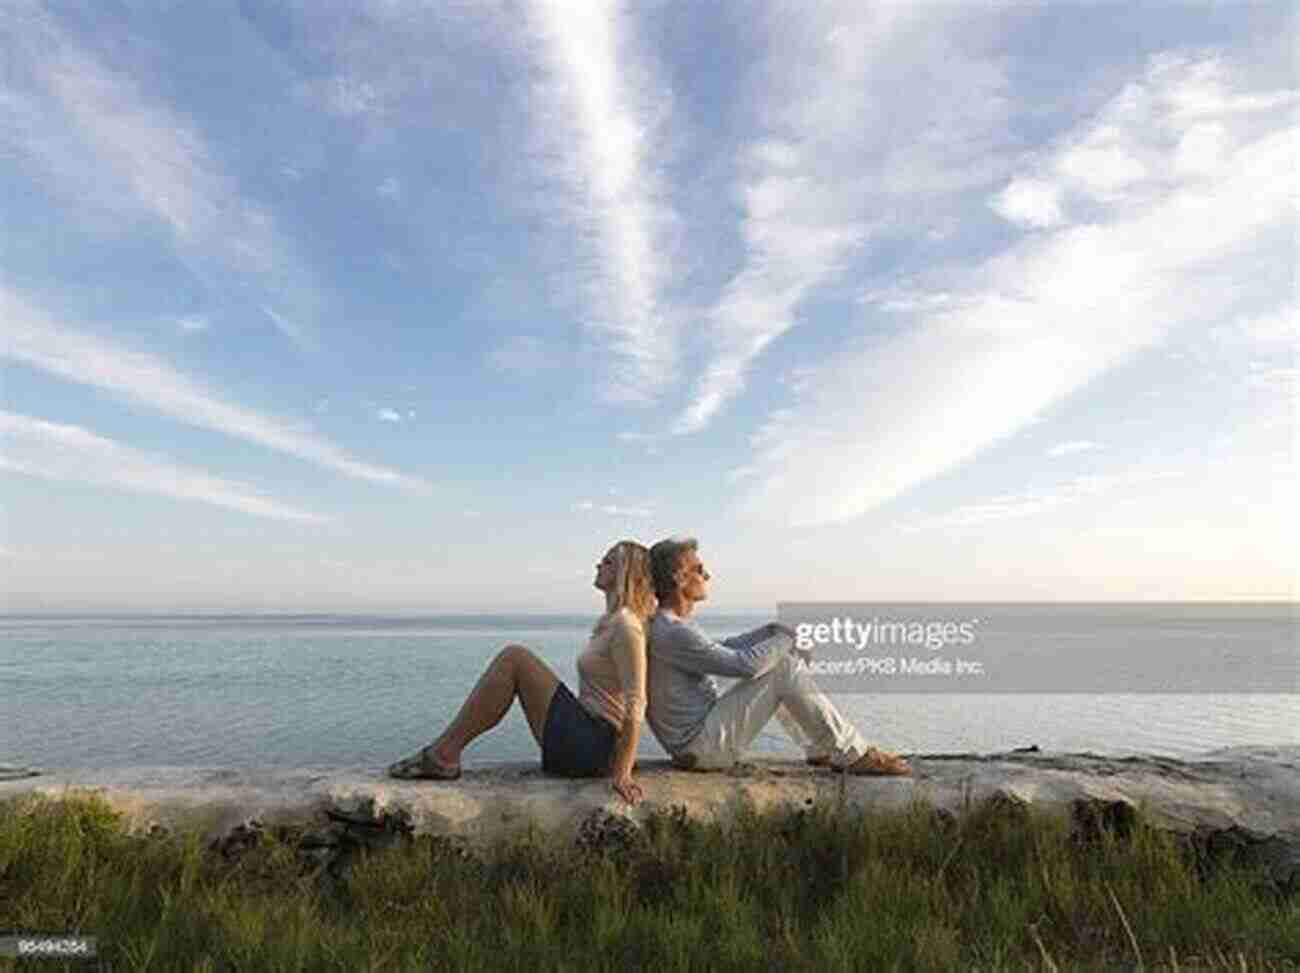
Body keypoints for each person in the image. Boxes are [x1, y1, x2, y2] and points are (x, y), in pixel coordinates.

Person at [387, 540, 655, 805]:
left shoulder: (626, 626)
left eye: (608, 561)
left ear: (625, 573)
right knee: (514, 659)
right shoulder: (611, 623)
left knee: (514, 659)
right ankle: (444, 753)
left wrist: (623, 773)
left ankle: (443, 755)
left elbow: (636, 703)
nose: (598, 564)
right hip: (589, 740)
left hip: (597, 748)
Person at [644, 536, 911, 776]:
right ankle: (853, 754)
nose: (708, 576)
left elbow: (722, 648)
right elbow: (746, 665)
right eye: (699, 570)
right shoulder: (672, 630)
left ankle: (821, 747)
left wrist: (773, 630)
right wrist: (787, 639)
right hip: (701, 749)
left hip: (698, 743)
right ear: (679, 577)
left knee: (777, 661)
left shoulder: (669, 626)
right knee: (781, 666)